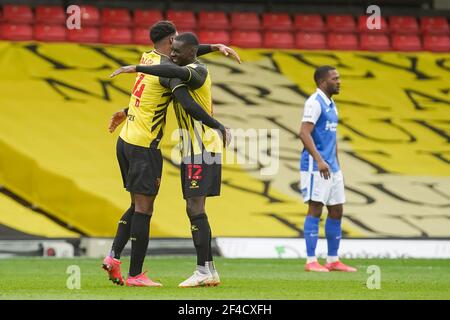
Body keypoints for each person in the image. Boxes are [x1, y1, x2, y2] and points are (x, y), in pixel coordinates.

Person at [102, 21, 237, 287]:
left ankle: (116, 257)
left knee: (184, 207)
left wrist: (215, 46)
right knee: (146, 207)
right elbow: (182, 85)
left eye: (180, 50)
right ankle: (136, 274)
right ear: (171, 41)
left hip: (139, 140)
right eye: (173, 47)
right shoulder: (170, 71)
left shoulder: (150, 57)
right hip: (147, 145)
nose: (175, 52)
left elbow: (184, 72)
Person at [298, 65, 357, 273]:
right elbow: (304, 133)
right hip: (316, 167)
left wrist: (336, 164)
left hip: (332, 167)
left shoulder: (331, 104)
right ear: (323, 82)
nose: (339, 81)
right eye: (335, 78)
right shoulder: (314, 103)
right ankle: (311, 261)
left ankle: (332, 260)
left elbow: (331, 137)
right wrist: (320, 160)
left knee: (337, 209)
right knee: (315, 208)